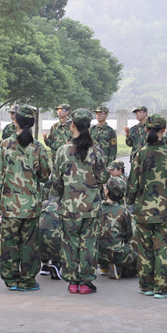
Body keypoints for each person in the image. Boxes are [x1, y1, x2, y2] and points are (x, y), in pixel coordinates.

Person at [51, 109, 109, 295]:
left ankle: (72, 282)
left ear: (72, 125)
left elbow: (55, 182)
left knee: (69, 244)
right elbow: (103, 178)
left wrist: (60, 196)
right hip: (91, 207)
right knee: (89, 244)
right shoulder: (96, 152)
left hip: (69, 207)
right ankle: (85, 283)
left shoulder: (62, 151)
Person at [126, 113, 167, 299]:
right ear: (164, 131)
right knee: (162, 248)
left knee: (145, 249)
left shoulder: (140, 154)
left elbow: (132, 184)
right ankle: (162, 288)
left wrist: (129, 202)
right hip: (166, 210)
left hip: (144, 210)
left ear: (146, 130)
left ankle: (146, 286)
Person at [0, 105, 50, 292]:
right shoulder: (38, 147)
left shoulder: (4, 145)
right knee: (29, 245)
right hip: (31, 206)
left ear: (15, 121)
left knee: (9, 244)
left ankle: (11, 281)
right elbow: (44, 176)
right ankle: (27, 281)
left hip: (10, 205)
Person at [98, 177, 138, 280]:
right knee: (139, 263)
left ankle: (105, 266)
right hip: (118, 254)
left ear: (106, 191)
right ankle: (119, 269)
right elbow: (130, 234)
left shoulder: (96, 208)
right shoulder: (124, 212)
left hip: (96, 254)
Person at [37, 197, 62, 280]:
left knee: (43, 235)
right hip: (56, 241)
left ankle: (45, 265)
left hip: (39, 242)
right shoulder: (64, 205)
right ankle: (56, 264)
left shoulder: (44, 204)